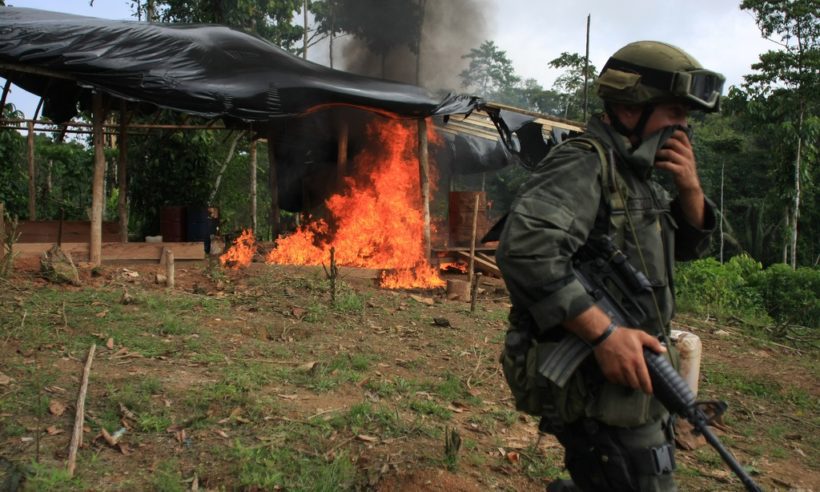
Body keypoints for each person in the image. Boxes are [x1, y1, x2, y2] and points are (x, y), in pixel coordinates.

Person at [495, 41, 724, 491]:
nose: (683, 129)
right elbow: (525, 250)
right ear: (629, 106)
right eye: (674, 112)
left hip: (635, 378)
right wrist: (604, 333)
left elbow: (679, 252)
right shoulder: (584, 163)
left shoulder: (636, 178)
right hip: (596, 382)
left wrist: (691, 192)